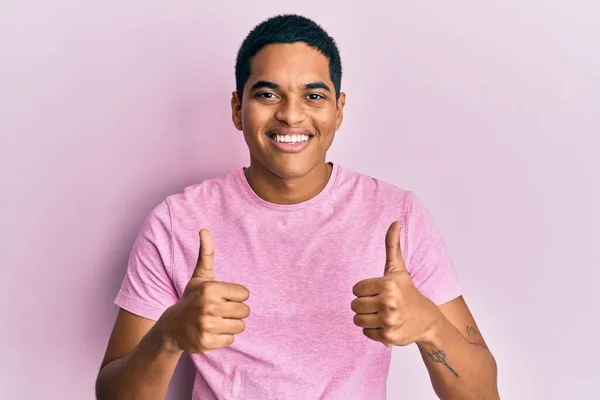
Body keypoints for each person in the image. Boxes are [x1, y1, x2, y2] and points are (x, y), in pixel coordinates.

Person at [95, 14, 499, 400]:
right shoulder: (176, 222)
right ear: (238, 109)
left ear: (339, 110)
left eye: (313, 95)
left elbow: (482, 393)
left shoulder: (397, 216)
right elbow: (112, 395)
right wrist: (167, 337)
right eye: (268, 94)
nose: (290, 114)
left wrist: (430, 326)